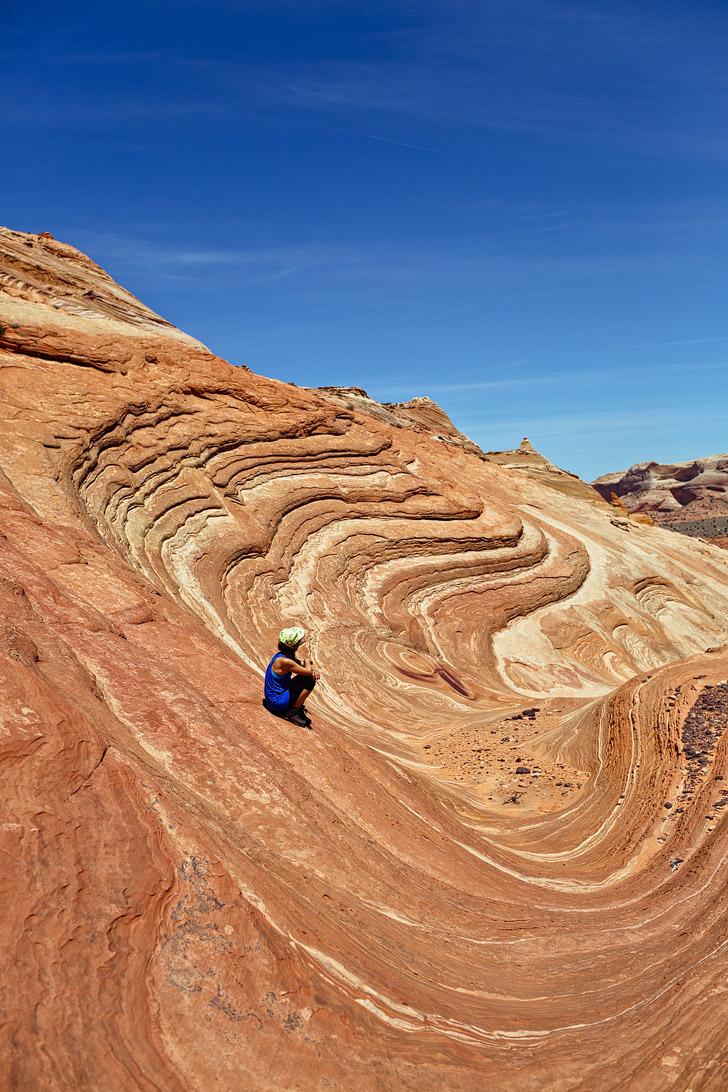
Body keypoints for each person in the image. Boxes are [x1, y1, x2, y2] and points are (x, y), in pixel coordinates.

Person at [263, 626, 320, 728]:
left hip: (272, 700)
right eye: (298, 642)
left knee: (307, 676)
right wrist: (307, 662)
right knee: (310, 679)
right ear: (292, 647)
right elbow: (307, 671)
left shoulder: (280, 656)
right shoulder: (285, 661)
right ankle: (291, 713)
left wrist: (307, 665)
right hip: (276, 703)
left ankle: (293, 708)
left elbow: (299, 664)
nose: (299, 644)